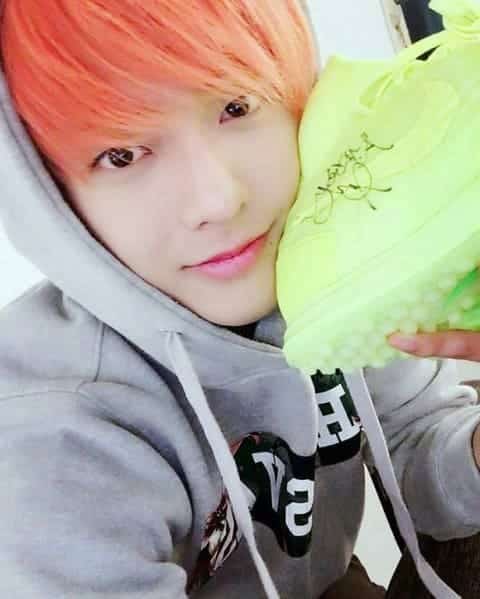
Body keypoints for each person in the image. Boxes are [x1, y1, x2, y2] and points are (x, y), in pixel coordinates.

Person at [0, 1, 479, 598]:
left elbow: (428, 466)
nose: (218, 200)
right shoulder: (51, 445)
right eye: (121, 154)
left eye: (236, 106)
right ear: (51, 197)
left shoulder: (328, 270)